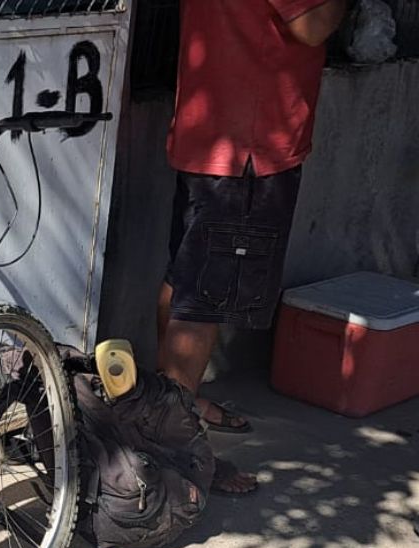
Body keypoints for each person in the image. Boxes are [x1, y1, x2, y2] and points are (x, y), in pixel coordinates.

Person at [157, 0, 347, 495]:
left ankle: (178, 405)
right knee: (200, 305)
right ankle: (178, 453)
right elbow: (312, 24)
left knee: (184, 282)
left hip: (208, 132)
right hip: (250, 147)